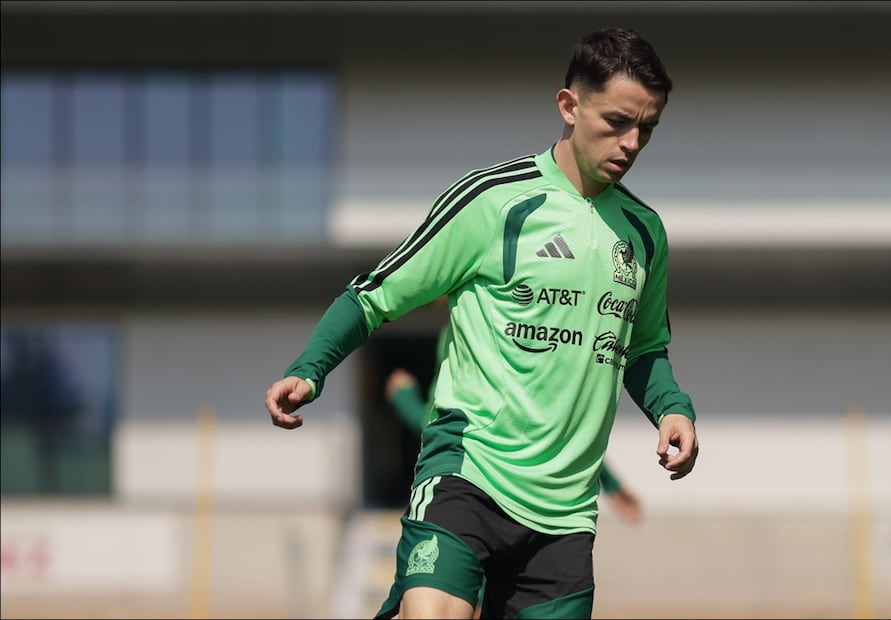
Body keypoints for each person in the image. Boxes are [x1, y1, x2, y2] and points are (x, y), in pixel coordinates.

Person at [265, 26, 699, 620]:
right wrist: (310, 368)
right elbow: (374, 296)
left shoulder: (645, 234)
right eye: (617, 121)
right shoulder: (493, 201)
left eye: (646, 128)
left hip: (565, 514)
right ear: (569, 106)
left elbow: (644, 349)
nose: (631, 143)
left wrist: (672, 409)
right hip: (469, 475)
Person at [383, 322, 642, 524]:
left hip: (492, 488)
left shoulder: (487, 330)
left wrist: (405, 400)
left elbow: (436, 423)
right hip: (486, 487)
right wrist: (610, 483)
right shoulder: (464, 329)